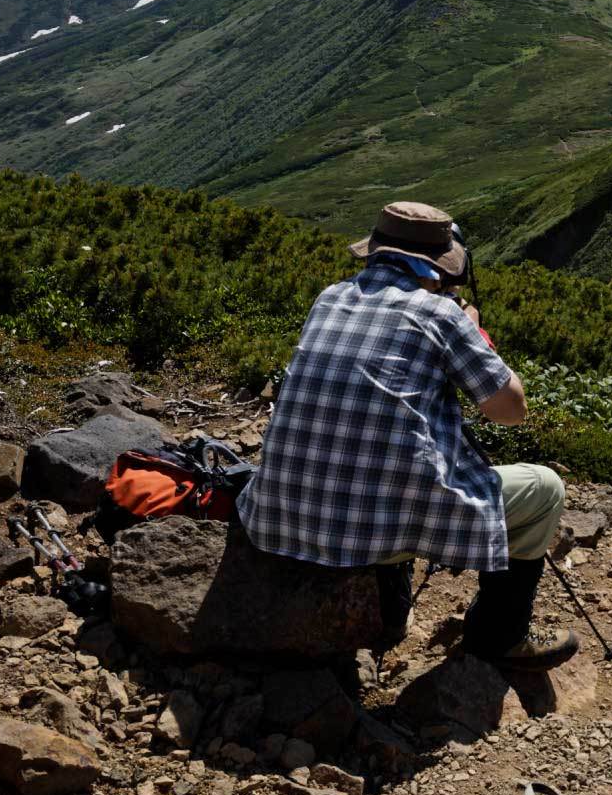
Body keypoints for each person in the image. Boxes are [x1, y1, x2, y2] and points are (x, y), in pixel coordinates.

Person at [236, 200, 576, 668]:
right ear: (439, 269)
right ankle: (500, 636)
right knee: (545, 489)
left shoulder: (328, 297)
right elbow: (510, 410)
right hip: (371, 530)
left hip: (274, 518)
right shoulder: (442, 315)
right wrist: (474, 336)